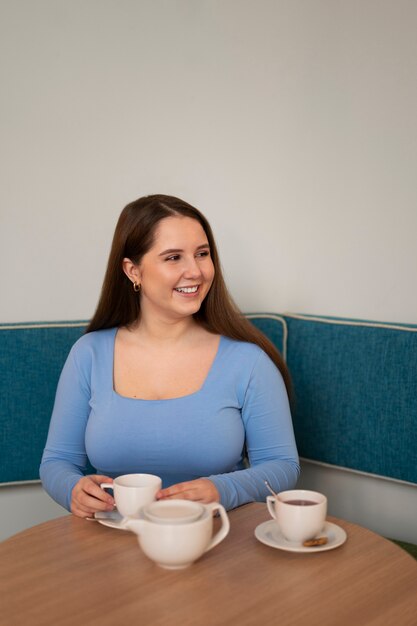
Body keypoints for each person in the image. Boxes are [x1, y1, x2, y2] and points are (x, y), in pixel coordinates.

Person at [40, 194, 299, 518]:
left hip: (218, 543)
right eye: (174, 257)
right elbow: (57, 462)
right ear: (133, 270)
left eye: (202, 254)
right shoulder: (89, 354)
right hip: (112, 544)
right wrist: (73, 490)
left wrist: (224, 489)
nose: (196, 271)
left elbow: (283, 467)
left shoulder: (249, 362)